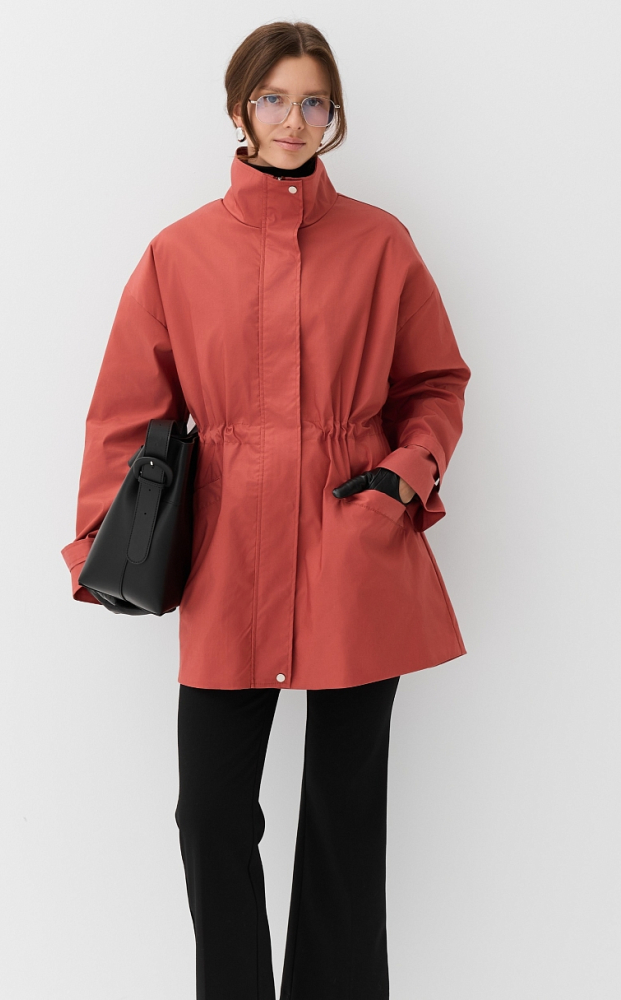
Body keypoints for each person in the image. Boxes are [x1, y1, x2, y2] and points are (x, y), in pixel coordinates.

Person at [61, 20, 471, 1000]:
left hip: (355, 548)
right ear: (240, 108)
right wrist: (102, 544)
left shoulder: (380, 243)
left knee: (343, 822)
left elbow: (435, 384)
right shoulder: (179, 253)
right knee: (209, 815)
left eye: (314, 102)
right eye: (275, 98)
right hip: (229, 556)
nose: (295, 119)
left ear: (334, 117)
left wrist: (402, 478)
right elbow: (126, 413)